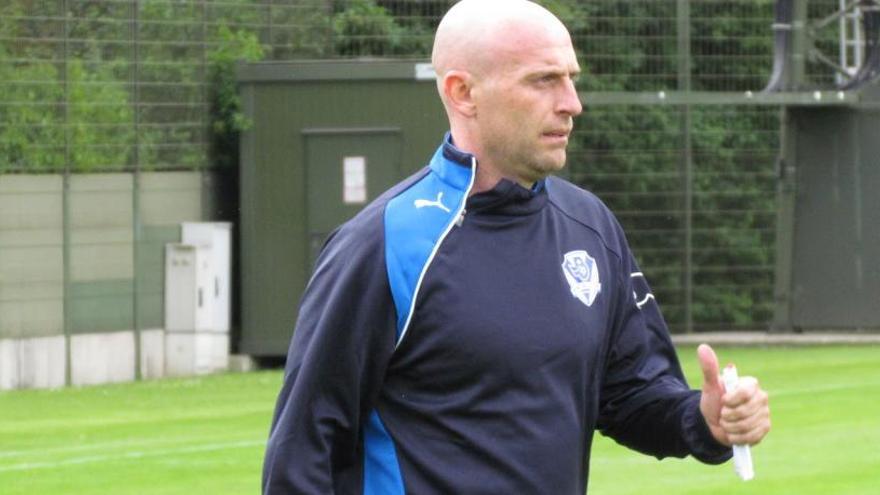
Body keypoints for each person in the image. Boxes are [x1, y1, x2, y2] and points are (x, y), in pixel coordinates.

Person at [262, 0, 771, 493]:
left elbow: (630, 394)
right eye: (543, 80)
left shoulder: (590, 226)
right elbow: (303, 450)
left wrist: (704, 420)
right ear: (464, 93)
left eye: (571, 79)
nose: (572, 103)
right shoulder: (383, 244)